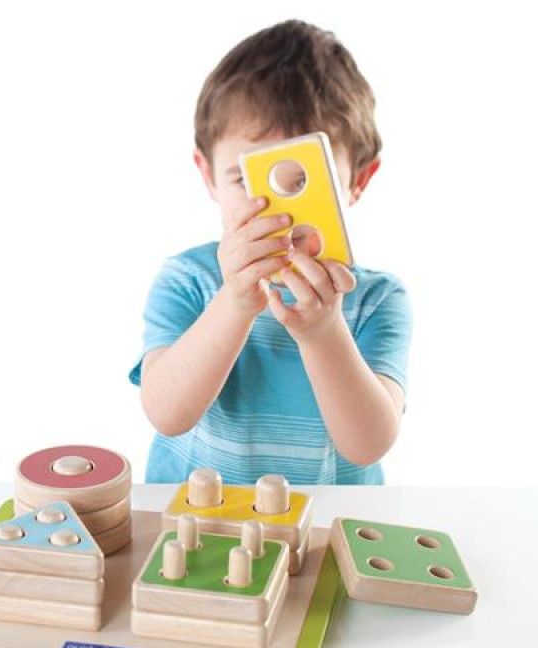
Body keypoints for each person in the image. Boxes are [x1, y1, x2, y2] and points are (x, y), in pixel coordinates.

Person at [128, 19, 412, 484]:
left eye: (304, 181)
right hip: (199, 517)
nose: (278, 210)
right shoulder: (188, 279)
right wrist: (235, 304)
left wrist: (324, 333)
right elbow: (166, 413)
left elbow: (368, 446)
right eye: (244, 178)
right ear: (208, 175)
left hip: (320, 520)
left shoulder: (376, 299)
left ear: (358, 180)